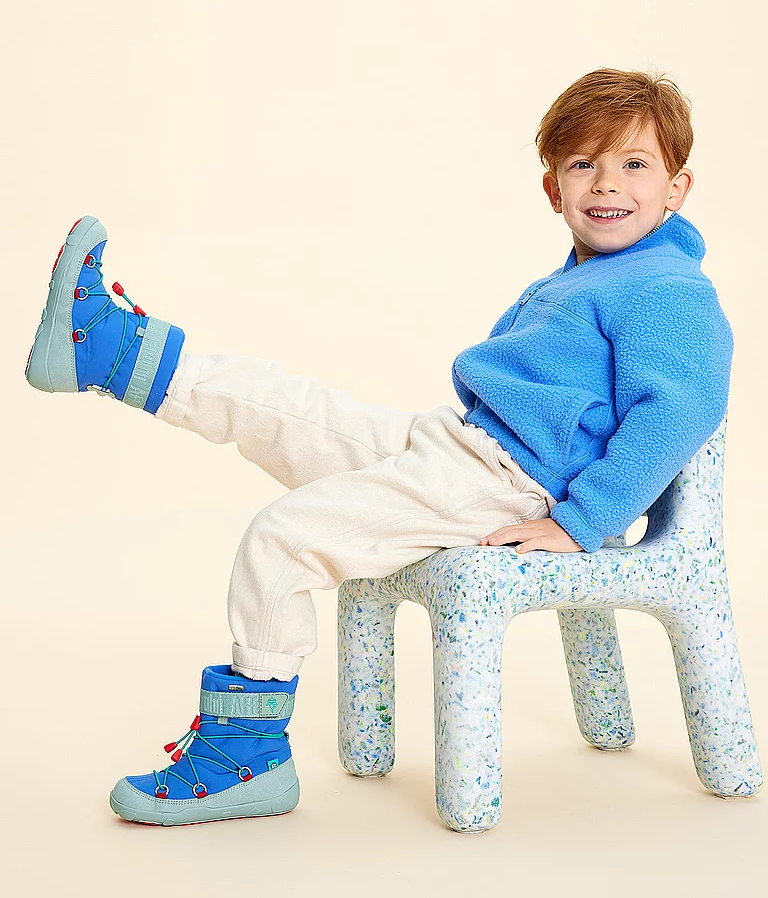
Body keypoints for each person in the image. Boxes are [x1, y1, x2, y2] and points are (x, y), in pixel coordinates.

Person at [24, 67, 733, 826]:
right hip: (458, 446)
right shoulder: (586, 277)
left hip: (504, 482)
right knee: (290, 406)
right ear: (552, 189)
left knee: (284, 537)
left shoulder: (666, 289)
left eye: (634, 164)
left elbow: (679, 413)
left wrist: (581, 520)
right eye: (583, 164)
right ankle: (110, 352)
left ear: (677, 188)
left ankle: (247, 756)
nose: (607, 183)